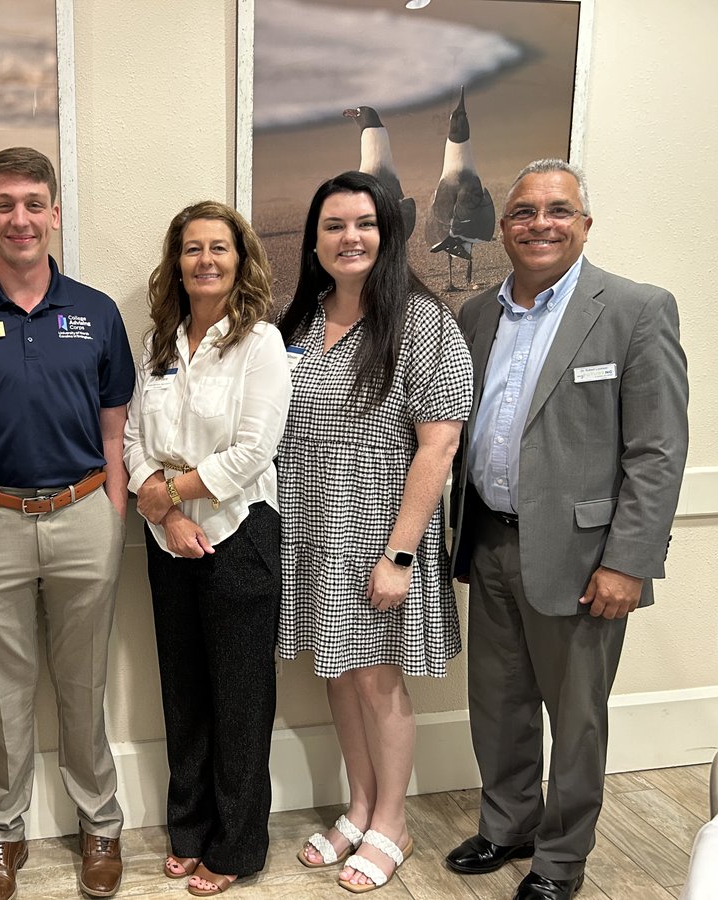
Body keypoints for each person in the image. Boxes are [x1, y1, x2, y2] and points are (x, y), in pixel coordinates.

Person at [445, 159, 689, 900]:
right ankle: (508, 824)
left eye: (558, 210)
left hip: (586, 562)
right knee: (498, 703)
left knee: (576, 720)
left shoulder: (636, 310)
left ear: (584, 223)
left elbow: (657, 451)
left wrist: (629, 562)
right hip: (487, 541)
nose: (539, 224)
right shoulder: (477, 315)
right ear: (504, 226)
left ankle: (560, 861)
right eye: (523, 212)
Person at [0, 147, 134, 900]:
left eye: (34, 202)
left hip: (83, 516)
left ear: (55, 213)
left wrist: (113, 514)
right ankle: (1, 837)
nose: (20, 218)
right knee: (3, 694)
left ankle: (99, 823)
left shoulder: (96, 312)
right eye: (4, 204)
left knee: (86, 684)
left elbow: (115, 430)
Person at [277, 171, 473, 894]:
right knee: (336, 669)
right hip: (311, 522)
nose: (349, 237)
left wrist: (400, 555)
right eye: (333, 225)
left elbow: (439, 445)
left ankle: (393, 821)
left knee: (378, 678)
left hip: (379, 530)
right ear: (315, 240)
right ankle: (359, 808)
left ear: (388, 233)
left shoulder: (422, 322)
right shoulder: (298, 320)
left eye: (364, 223)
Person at [124, 201, 291, 897]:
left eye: (218, 248)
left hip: (238, 533)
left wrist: (171, 497)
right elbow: (134, 437)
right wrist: (162, 513)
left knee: (240, 698)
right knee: (183, 688)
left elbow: (253, 450)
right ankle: (187, 828)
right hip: (168, 538)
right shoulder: (159, 342)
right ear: (177, 262)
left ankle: (238, 843)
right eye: (192, 249)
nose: (205, 261)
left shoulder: (261, 344)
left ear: (239, 258)